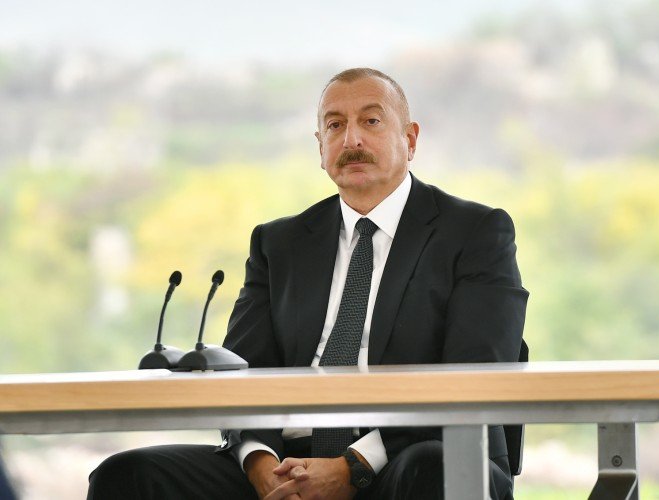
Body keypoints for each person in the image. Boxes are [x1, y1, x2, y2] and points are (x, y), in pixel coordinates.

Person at [88, 67, 528, 500]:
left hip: (405, 459)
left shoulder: (474, 233)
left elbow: (473, 379)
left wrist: (353, 466)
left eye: (371, 121)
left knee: (433, 467)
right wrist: (261, 465)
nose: (352, 140)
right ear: (321, 147)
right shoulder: (279, 244)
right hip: (287, 464)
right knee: (128, 476)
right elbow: (244, 374)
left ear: (410, 140)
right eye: (335, 126)